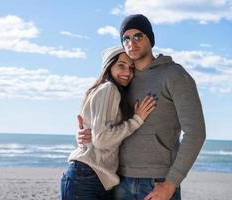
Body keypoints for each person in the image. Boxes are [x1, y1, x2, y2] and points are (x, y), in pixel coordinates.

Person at [77, 14, 206, 200]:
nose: (132, 43)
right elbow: (101, 121)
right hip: (119, 182)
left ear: (150, 39)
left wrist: (171, 183)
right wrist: (83, 135)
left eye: (138, 36)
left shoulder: (174, 75)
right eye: (126, 38)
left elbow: (196, 132)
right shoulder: (122, 79)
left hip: (157, 183)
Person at [60, 46, 157, 200]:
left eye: (131, 68)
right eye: (121, 65)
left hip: (91, 177)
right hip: (87, 177)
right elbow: (102, 139)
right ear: (108, 66)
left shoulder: (105, 90)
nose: (127, 72)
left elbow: (93, 132)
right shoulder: (109, 89)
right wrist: (137, 120)